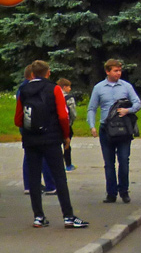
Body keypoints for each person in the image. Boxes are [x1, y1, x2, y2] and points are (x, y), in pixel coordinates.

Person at [15, 60, 87, 228]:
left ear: (32, 74)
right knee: (59, 176)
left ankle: (38, 217)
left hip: (31, 139)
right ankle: (68, 216)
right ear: (48, 73)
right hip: (51, 138)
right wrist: (65, 135)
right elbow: (63, 115)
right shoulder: (54, 88)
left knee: (33, 178)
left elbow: (18, 118)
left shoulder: (24, 90)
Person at [87, 59, 141, 204]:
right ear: (107, 71)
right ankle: (111, 193)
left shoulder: (126, 86)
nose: (118, 73)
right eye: (115, 70)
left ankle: (124, 191)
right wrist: (92, 126)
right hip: (106, 129)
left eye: (119, 70)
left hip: (123, 129)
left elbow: (137, 103)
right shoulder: (99, 88)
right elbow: (92, 108)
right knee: (108, 163)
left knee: (124, 160)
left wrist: (127, 110)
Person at [17, 65, 57, 196]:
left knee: (28, 156)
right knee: (44, 154)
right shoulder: (39, 88)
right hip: (40, 126)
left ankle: (29, 184)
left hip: (26, 124)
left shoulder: (22, 89)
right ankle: (51, 185)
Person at [57, 77, 79, 171]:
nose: (70, 89)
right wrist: (72, 121)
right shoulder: (69, 98)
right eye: (69, 87)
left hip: (56, 124)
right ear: (64, 87)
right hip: (66, 124)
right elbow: (73, 112)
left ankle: (58, 164)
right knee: (67, 144)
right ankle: (68, 164)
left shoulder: (53, 96)